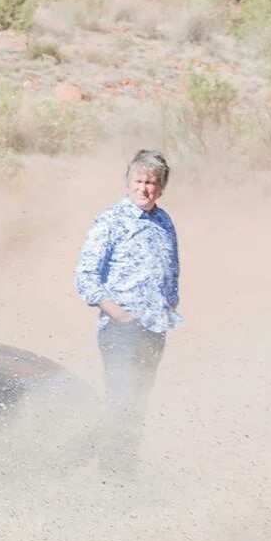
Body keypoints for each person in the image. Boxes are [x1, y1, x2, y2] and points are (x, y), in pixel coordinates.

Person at [73, 150, 180, 474]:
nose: (144, 189)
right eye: (139, 181)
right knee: (122, 400)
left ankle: (126, 471)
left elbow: (172, 268)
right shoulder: (110, 221)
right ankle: (110, 476)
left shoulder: (164, 221)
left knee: (138, 402)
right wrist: (118, 313)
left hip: (154, 327)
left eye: (151, 183)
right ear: (127, 183)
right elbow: (85, 276)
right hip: (122, 329)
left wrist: (170, 303)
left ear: (161, 188)